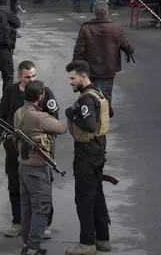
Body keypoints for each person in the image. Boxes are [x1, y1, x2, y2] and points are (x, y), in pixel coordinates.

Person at [0, 61, 59, 239]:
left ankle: (45, 224)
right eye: (27, 77)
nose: (31, 79)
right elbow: (2, 117)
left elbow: (55, 120)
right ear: (19, 77)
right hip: (15, 150)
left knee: (42, 187)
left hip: (38, 151)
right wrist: (6, 137)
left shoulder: (45, 94)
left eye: (33, 76)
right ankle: (18, 222)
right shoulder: (10, 93)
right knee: (15, 186)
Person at [64, 61, 112, 255]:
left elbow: (91, 125)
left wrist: (72, 115)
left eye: (73, 78)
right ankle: (103, 239)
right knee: (97, 195)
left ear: (84, 77)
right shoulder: (99, 93)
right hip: (99, 151)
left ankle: (87, 243)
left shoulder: (85, 99)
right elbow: (109, 114)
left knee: (84, 198)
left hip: (86, 153)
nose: (70, 82)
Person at [15, 80, 67, 255]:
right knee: (41, 207)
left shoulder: (19, 112)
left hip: (23, 167)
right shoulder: (39, 117)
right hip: (37, 168)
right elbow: (61, 128)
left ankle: (27, 243)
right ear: (40, 96)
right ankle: (34, 247)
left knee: (27, 206)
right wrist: (50, 113)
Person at [73, 0, 134, 114]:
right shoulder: (116, 28)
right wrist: (128, 51)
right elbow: (128, 47)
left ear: (94, 13)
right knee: (105, 96)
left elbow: (78, 51)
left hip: (89, 69)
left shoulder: (85, 28)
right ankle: (103, 121)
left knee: (88, 95)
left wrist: (75, 69)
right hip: (108, 69)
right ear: (107, 13)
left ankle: (90, 118)